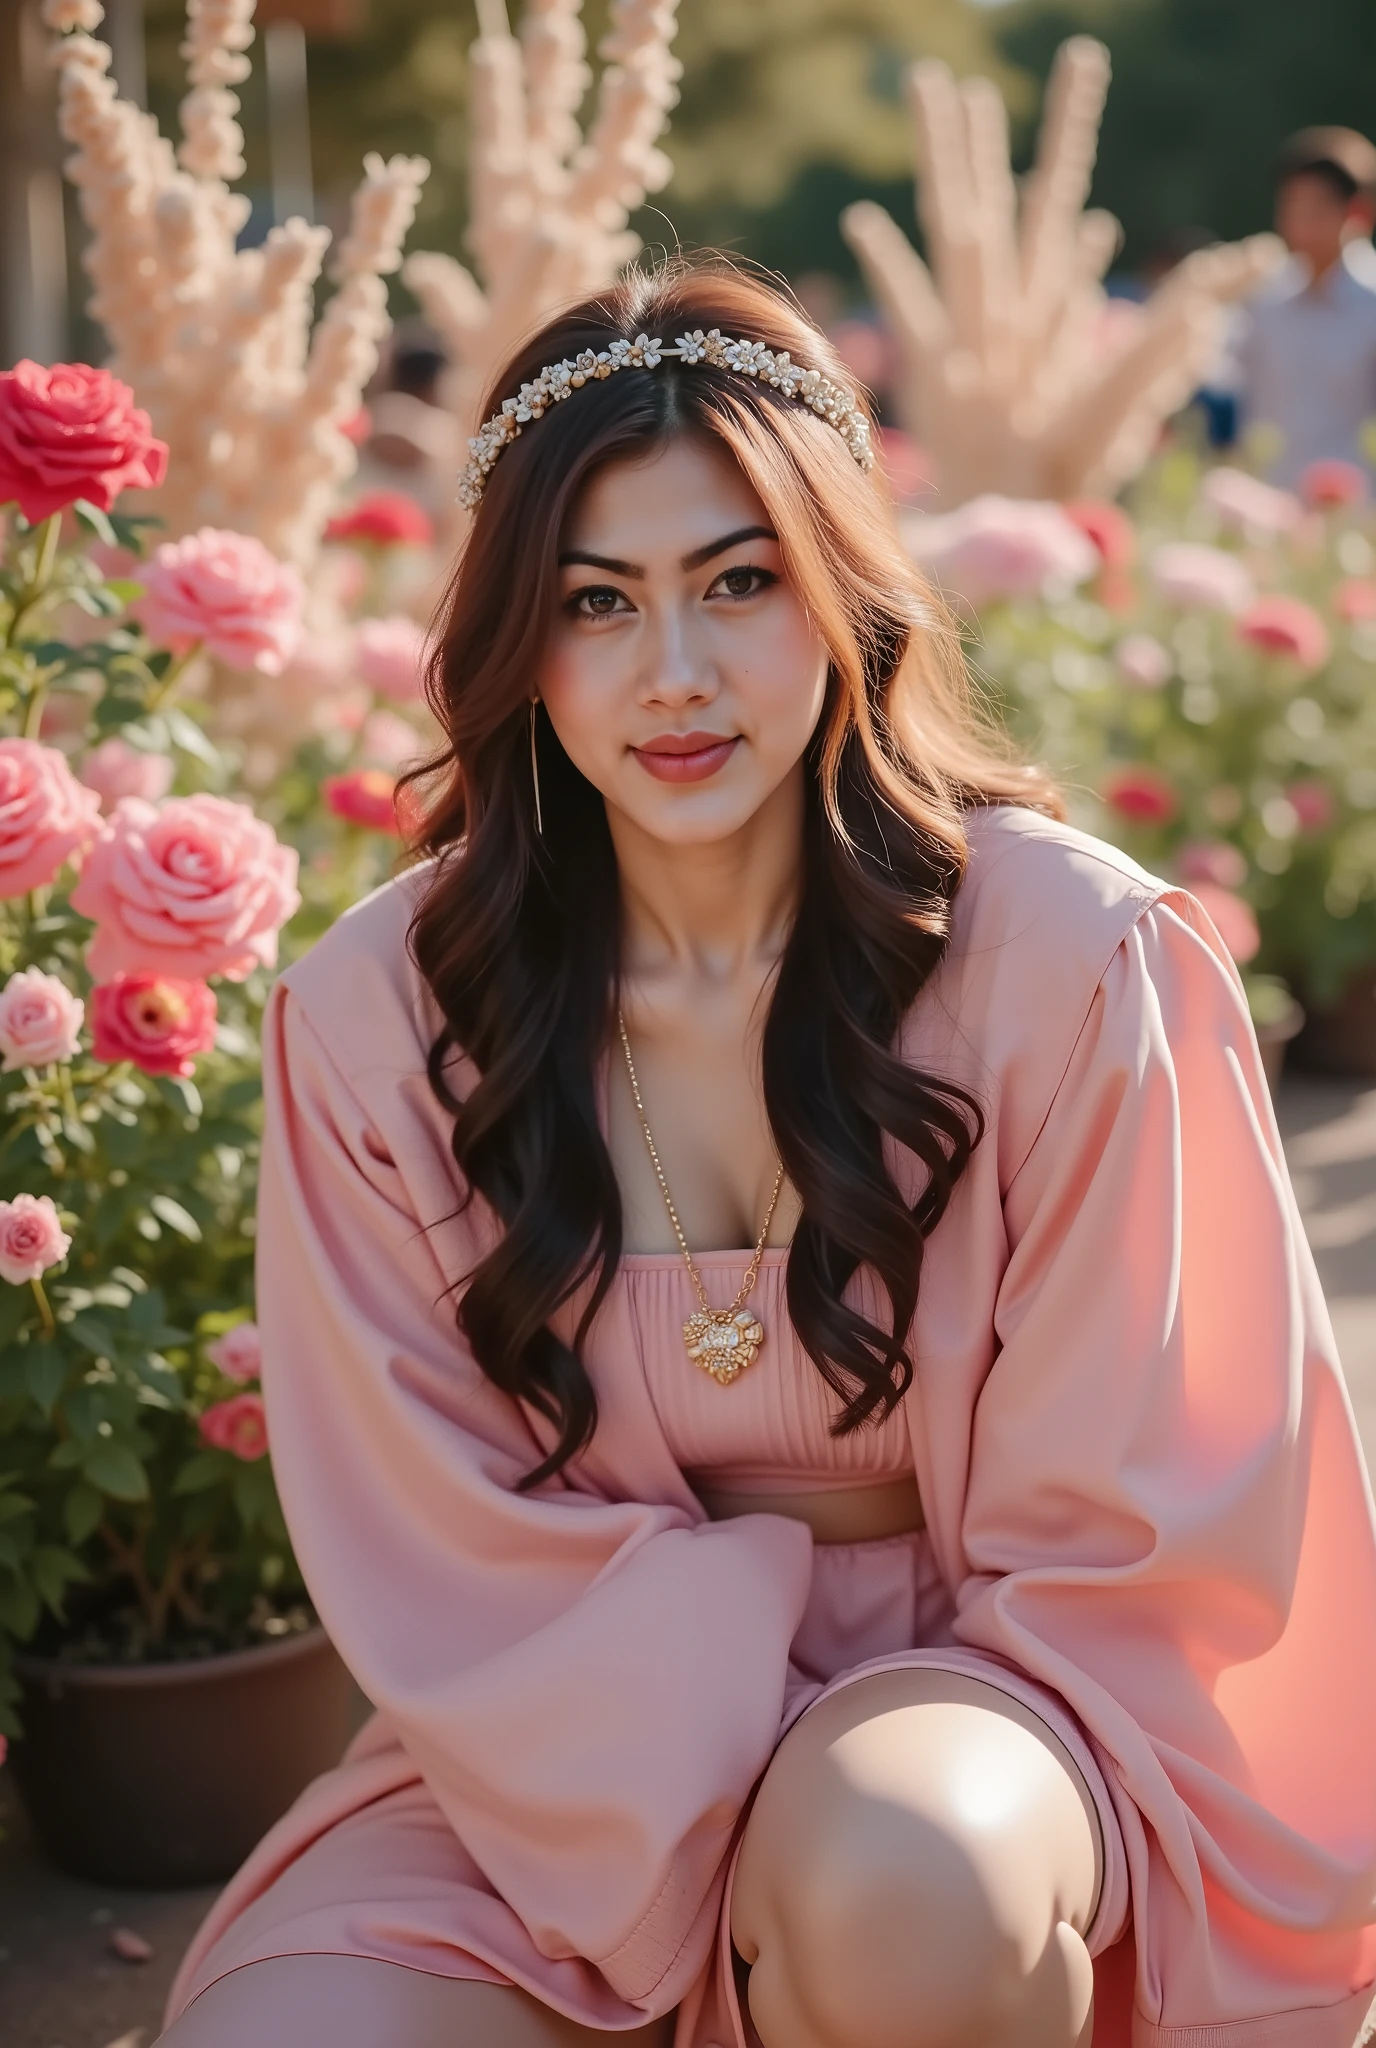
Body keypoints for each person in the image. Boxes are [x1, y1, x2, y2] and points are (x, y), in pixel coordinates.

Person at [159, 261, 1376, 2048]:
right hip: (552, 1749)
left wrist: (839, 1754)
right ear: (522, 641)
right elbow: (430, 1531)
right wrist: (714, 1721)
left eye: (739, 581)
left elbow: (1150, 1510)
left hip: (997, 1698)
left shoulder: (1069, 960)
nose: (674, 671)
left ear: (838, 595)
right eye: (597, 600)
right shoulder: (379, 1019)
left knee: (899, 1877)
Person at [1233, 126, 1376, 488]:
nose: (1299, 224)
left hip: (1354, 518)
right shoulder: (1264, 298)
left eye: (1314, 209)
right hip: (1269, 503)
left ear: (1356, 213)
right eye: (1291, 206)